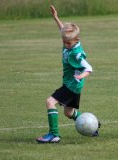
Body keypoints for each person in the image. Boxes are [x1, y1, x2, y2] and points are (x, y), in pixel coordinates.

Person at [36, 5, 100, 143]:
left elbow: (89, 67)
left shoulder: (76, 54)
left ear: (76, 39)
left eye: (68, 43)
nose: (65, 44)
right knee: (68, 112)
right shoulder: (70, 41)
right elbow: (63, 31)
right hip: (73, 85)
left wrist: (81, 76)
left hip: (72, 84)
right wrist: (56, 18)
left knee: (50, 102)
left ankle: (54, 134)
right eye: (64, 41)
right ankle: (93, 126)